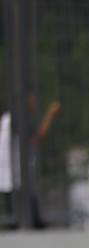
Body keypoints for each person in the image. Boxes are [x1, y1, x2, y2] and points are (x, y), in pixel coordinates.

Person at [0, 97, 60, 229]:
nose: (35, 103)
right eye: (32, 100)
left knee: (26, 223)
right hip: (15, 182)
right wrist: (50, 115)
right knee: (32, 224)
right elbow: (37, 140)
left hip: (15, 181)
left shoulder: (9, 119)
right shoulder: (16, 119)